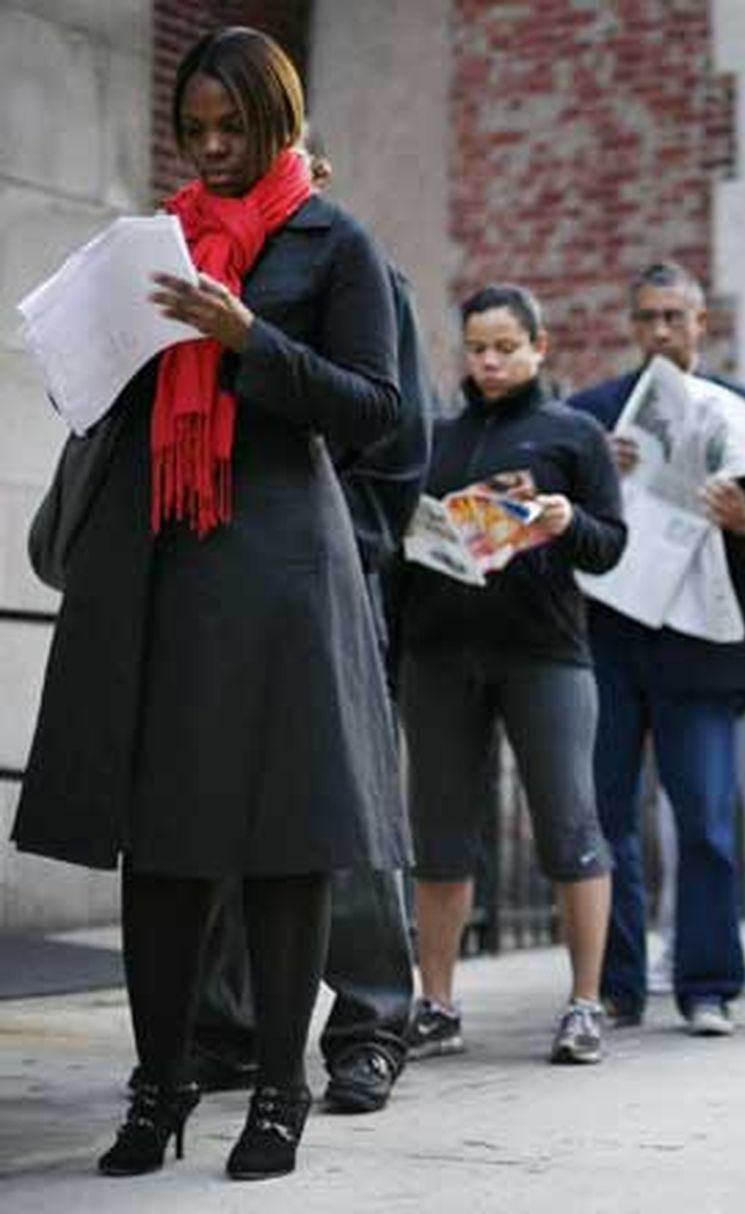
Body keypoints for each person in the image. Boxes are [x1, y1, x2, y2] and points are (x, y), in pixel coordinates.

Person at [13, 28, 406, 1180]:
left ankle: (279, 1087)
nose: (215, 147)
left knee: (287, 836)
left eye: (235, 128)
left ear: (278, 122)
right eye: (196, 130)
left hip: (278, 563)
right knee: (163, 839)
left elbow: (378, 410)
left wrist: (249, 339)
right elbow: (105, 391)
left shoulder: (337, 243)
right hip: (158, 559)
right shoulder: (158, 240)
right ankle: (161, 1081)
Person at [184, 133, 430, 1117]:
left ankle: (370, 1028)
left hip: (327, 572)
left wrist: (342, 547)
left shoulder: (358, 266)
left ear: (314, 173)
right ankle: (227, 1028)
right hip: (219, 572)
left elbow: (399, 442)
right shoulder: (200, 268)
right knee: (221, 802)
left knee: (344, 808)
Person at [397, 284, 623, 1064]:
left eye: (504, 347)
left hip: (545, 654)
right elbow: (399, 553)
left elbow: (610, 546)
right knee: (439, 836)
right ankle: (436, 1005)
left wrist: (569, 521)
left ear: (538, 347)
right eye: (477, 348)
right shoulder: (436, 438)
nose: (489, 362)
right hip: (437, 654)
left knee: (570, 827)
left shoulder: (574, 435)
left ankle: (586, 1004)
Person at [567, 262, 745, 1035]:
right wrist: (596, 470)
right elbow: (557, 520)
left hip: (702, 643)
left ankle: (708, 986)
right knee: (607, 819)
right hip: (610, 638)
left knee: (706, 823)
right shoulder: (591, 413)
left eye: (674, 316)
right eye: (647, 317)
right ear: (632, 326)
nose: (660, 330)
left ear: (702, 323)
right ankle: (617, 986)